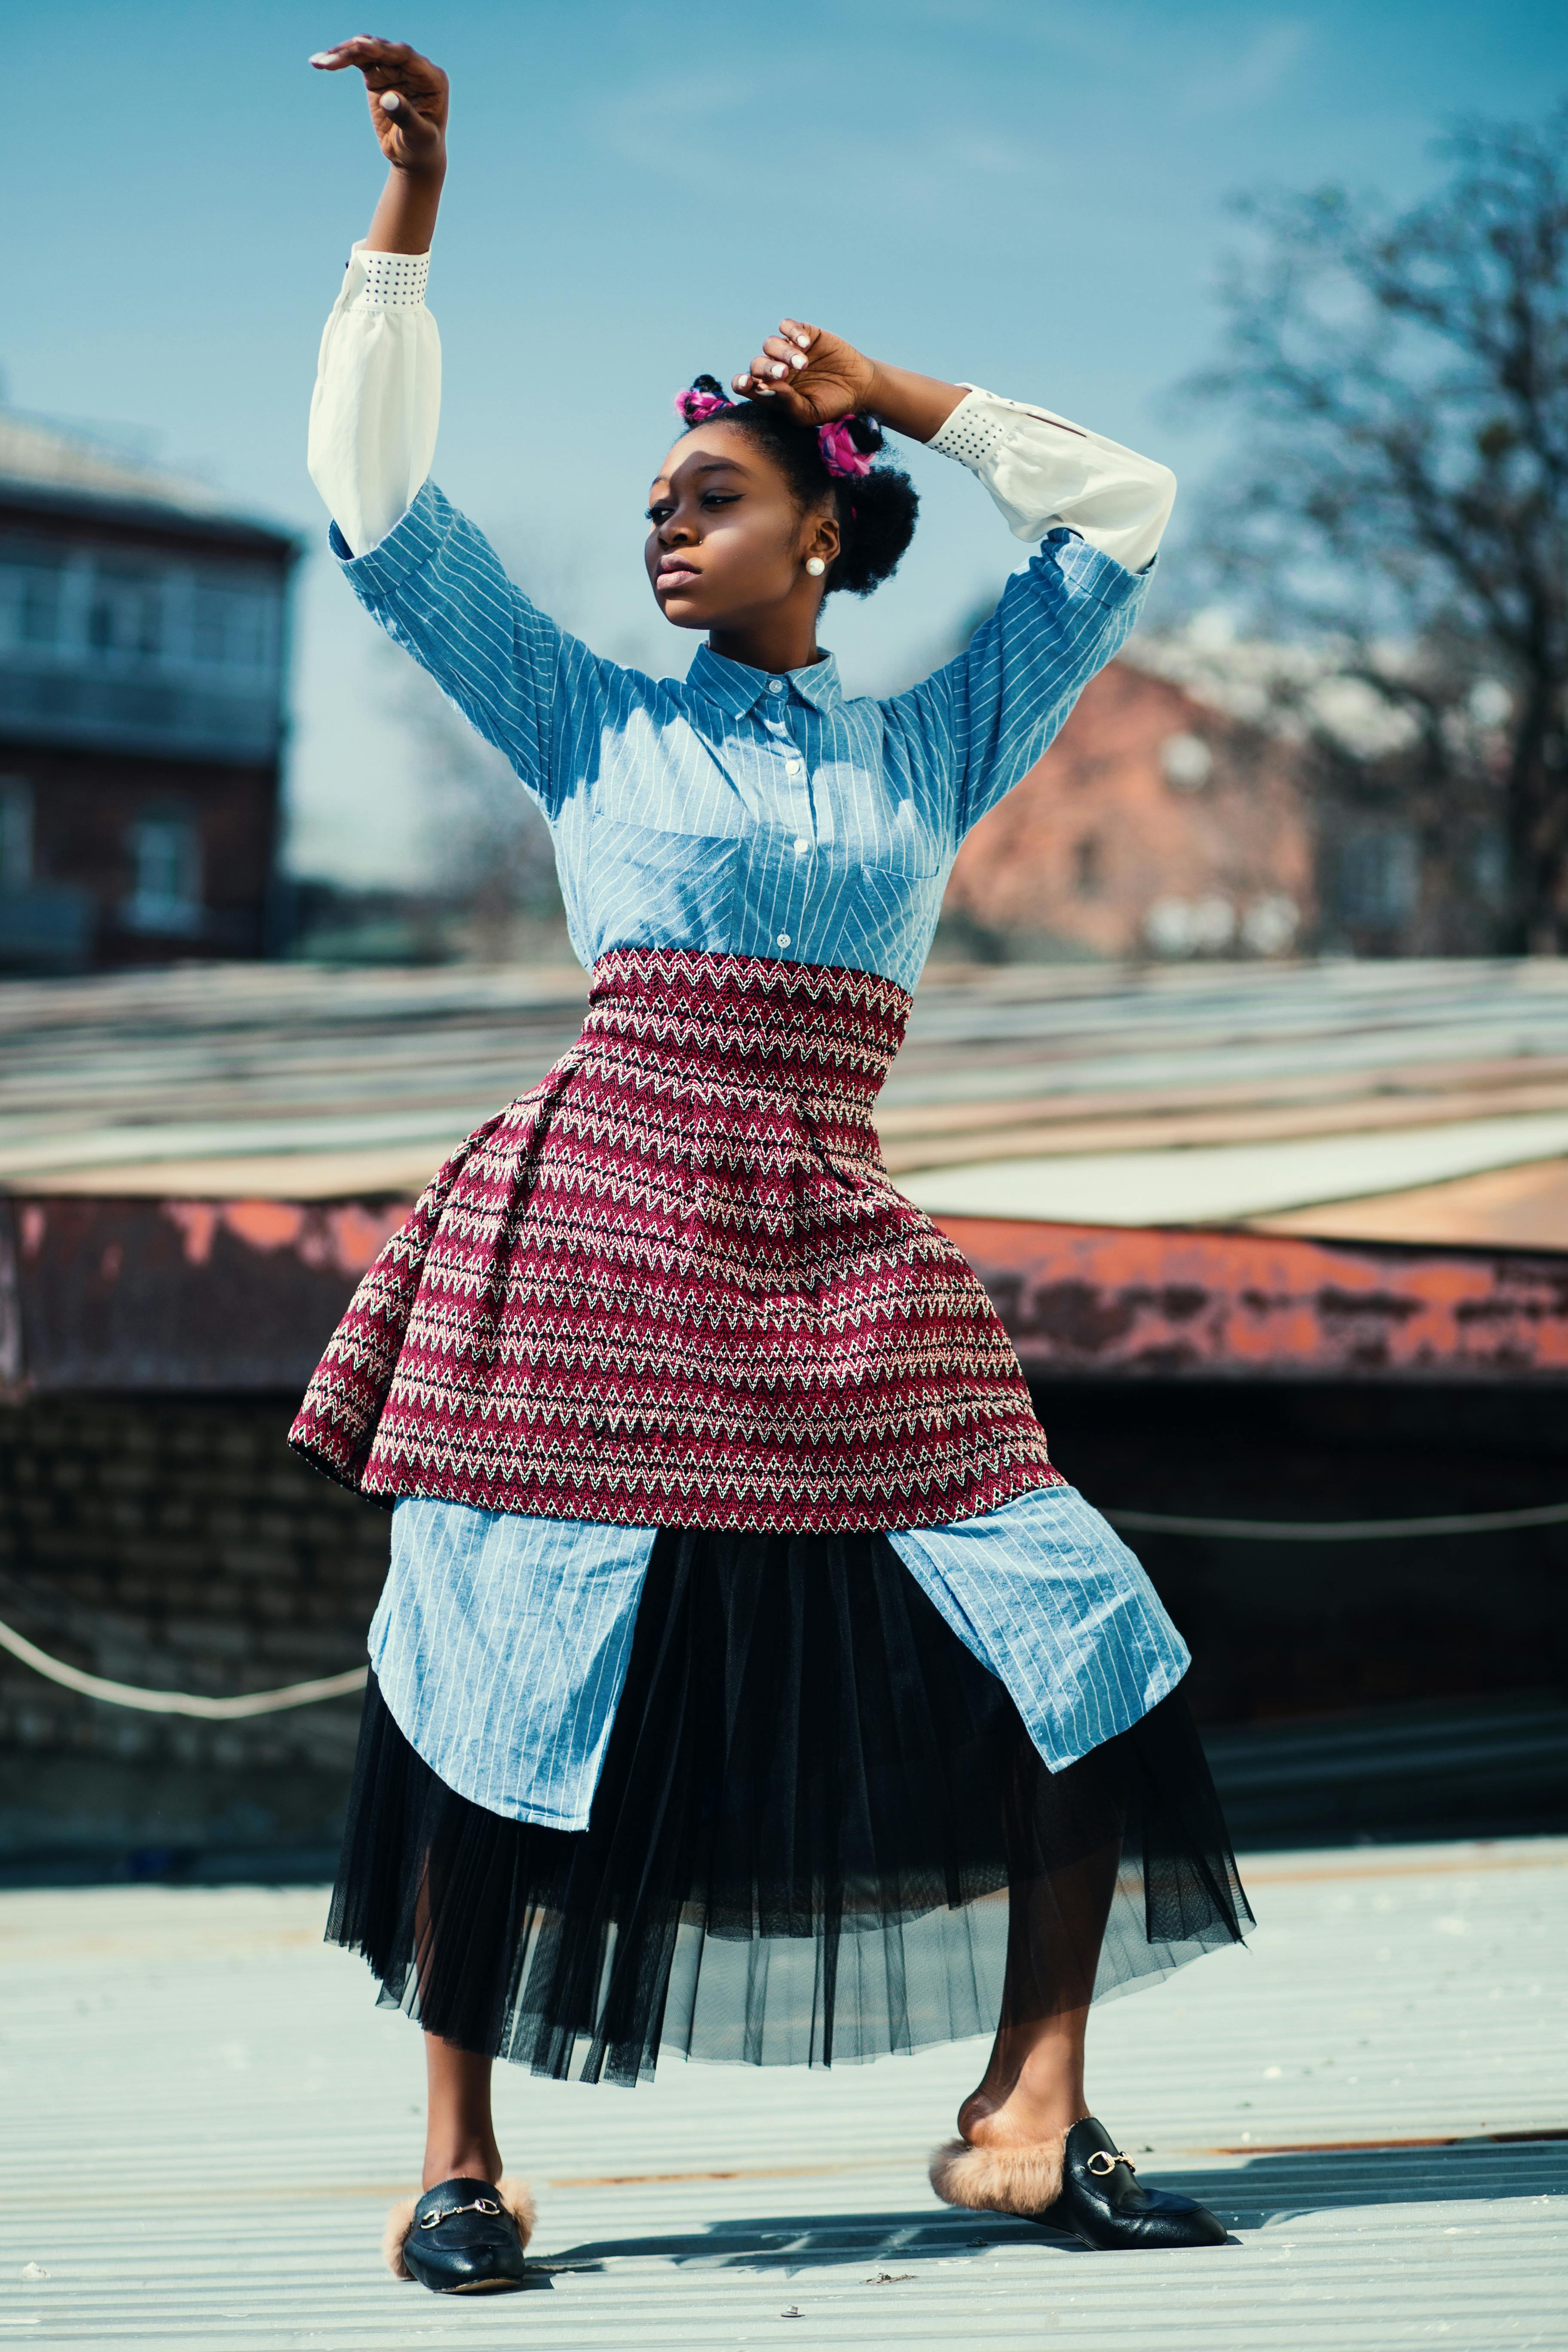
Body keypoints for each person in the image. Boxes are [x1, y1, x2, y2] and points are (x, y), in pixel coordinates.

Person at [295, 34, 1254, 2295]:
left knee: (1086, 1636)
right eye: (659, 500)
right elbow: (370, 504)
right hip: (592, 1236)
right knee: (492, 1688)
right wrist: (408, 221)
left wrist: (896, 388)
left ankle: (1033, 2115)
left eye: (711, 494)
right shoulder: (579, 716)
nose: (663, 523)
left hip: (833, 1239)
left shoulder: (939, 730)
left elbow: (1128, 508)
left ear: (821, 531)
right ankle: (459, 2159)